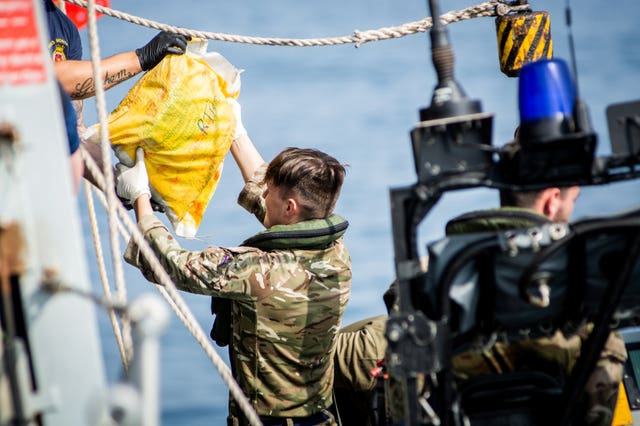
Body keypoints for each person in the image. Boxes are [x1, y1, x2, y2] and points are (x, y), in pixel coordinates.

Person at [115, 98, 351, 425]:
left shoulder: (255, 270)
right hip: (323, 415)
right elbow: (273, 208)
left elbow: (173, 265)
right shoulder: (337, 252)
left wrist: (139, 196)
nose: (262, 193)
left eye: (270, 191)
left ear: (292, 208)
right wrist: (235, 132)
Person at [333, 177, 627, 426]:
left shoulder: (432, 288)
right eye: (572, 200)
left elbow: (404, 404)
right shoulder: (583, 308)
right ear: (551, 202)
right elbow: (598, 411)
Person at [44, 0, 188, 185]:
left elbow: (77, 131)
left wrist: (119, 185)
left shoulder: (65, 29)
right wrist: (141, 59)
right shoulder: (13, 11)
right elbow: (49, 78)